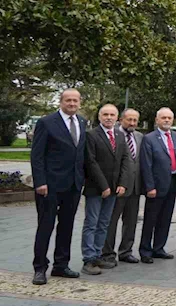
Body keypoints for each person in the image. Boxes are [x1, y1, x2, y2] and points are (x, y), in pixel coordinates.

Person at [31, 89, 87, 285]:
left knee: (66, 226)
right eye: (68, 100)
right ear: (61, 102)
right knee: (45, 226)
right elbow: (37, 155)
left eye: (75, 100)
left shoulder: (81, 122)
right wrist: (40, 182)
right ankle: (40, 267)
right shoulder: (46, 122)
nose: (72, 104)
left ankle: (61, 265)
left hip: (73, 185)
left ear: (79, 102)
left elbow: (80, 153)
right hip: (50, 185)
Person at [81, 104, 132, 275]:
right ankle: (88, 259)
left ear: (117, 118)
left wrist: (122, 183)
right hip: (96, 188)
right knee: (91, 223)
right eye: (105, 114)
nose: (109, 117)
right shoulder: (91, 135)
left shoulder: (119, 135)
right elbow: (91, 162)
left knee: (104, 223)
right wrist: (104, 186)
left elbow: (125, 160)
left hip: (114, 189)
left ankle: (97, 255)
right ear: (99, 117)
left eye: (112, 115)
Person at [139, 107, 176, 263]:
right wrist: (149, 186)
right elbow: (146, 164)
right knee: (150, 219)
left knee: (165, 218)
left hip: (173, 182)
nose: (166, 120)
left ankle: (159, 248)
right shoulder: (149, 138)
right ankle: (145, 250)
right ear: (157, 120)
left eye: (169, 118)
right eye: (163, 117)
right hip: (156, 185)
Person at [102, 108, 144, 266]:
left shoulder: (139, 137)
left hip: (135, 187)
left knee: (131, 221)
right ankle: (107, 253)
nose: (132, 123)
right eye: (129, 119)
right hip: (118, 187)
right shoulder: (114, 135)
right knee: (111, 222)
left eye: (135, 120)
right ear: (121, 120)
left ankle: (126, 251)